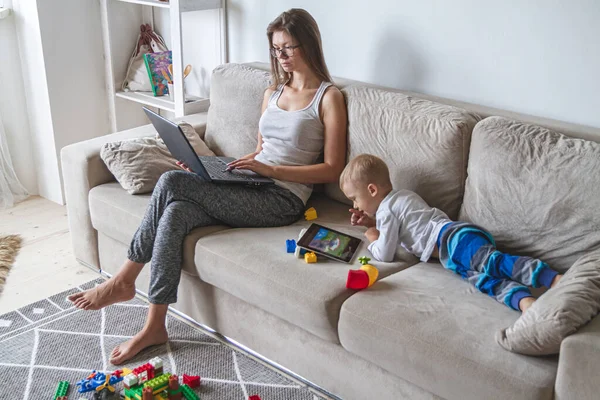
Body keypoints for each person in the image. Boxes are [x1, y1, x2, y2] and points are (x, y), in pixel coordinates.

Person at [68, 8, 347, 364]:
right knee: (177, 211)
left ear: (308, 44)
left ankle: (124, 279)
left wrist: (269, 168)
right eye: (276, 50)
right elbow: (260, 150)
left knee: (171, 182)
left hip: (283, 198)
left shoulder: (328, 97)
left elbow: (332, 169)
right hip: (253, 181)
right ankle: (155, 324)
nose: (282, 57)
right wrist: (220, 168)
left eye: (289, 48)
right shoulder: (273, 92)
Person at [339, 154, 562, 313]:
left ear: (372, 190)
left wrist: (372, 234)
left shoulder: (387, 211)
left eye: (354, 198)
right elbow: (404, 224)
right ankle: (525, 301)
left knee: (495, 264)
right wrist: (374, 220)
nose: (356, 206)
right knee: (484, 280)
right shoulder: (402, 196)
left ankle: (551, 278)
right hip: (452, 250)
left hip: (452, 240)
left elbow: (385, 254)